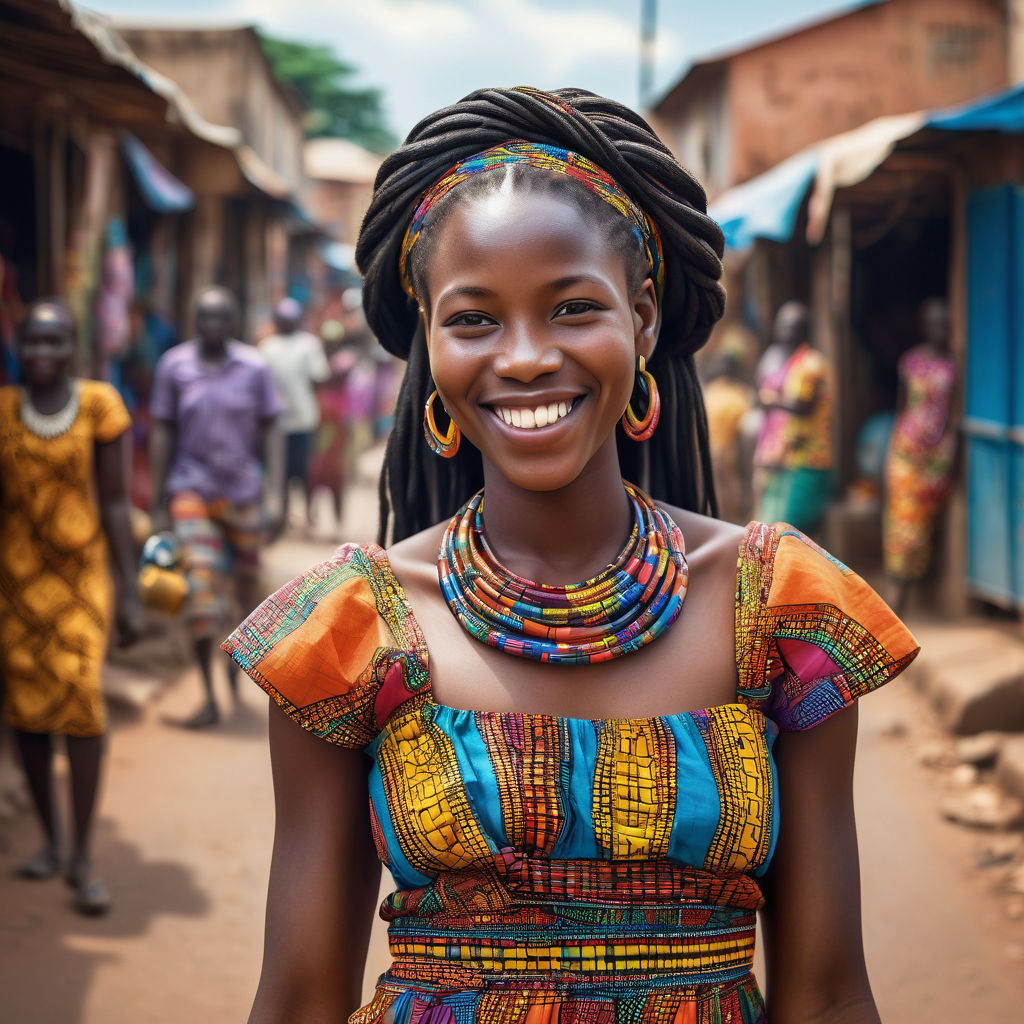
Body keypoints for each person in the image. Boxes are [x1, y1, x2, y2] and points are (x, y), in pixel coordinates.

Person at [223, 88, 919, 1024]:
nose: (523, 358)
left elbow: (829, 995)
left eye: (572, 308)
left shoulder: (777, 609)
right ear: (427, 347)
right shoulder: (351, 632)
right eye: (473, 320)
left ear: (642, 320)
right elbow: (301, 998)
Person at [0, 298, 143, 915]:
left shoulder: (99, 406)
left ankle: (82, 854)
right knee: (27, 712)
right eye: (32, 343)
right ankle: (52, 842)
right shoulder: (4, 411)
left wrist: (131, 591)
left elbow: (114, 503)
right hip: (15, 581)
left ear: (72, 347)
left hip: (82, 578)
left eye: (54, 343)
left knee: (80, 699)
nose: (42, 355)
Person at [149, 286, 283, 729]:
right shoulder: (174, 366)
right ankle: (208, 694)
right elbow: (163, 430)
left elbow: (272, 431)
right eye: (204, 319)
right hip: (191, 490)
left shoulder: (255, 368)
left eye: (220, 318)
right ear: (195, 322)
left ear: (233, 322)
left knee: (246, 589)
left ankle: (232, 676)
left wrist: (276, 494)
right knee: (200, 592)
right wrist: (157, 500)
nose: (212, 327)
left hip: (242, 492)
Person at [883, 297, 957, 614]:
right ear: (924, 326)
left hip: (935, 457)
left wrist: (951, 451)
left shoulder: (953, 366)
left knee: (919, 526)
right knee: (901, 522)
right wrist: (890, 451)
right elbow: (902, 409)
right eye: (935, 323)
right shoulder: (910, 361)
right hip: (905, 452)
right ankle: (898, 593)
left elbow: (955, 414)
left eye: (945, 324)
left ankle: (906, 593)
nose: (941, 330)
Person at [754, 301, 833, 533]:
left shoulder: (811, 365)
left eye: (793, 326)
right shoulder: (778, 359)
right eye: (783, 325)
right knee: (774, 523)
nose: (786, 332)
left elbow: (803, 406)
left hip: (808, 457)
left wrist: (771, 400)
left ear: (804, 331)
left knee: (792, 527)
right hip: (784, 456)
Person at [259, 297, 330, 536]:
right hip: (277, 422)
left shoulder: (308, 345)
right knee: (282, 470)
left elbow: (318, 377)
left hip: (304, 419)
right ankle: (284, 517)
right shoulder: (267, 347)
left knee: (306, 470)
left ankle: (309, 515)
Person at [703, 351, 754, 524]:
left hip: (713, 449)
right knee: (731, 487)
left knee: (718, 488)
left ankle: (722, 520)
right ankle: (731, 522)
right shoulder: (739, 393)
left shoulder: (709, 392)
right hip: (729, 449)